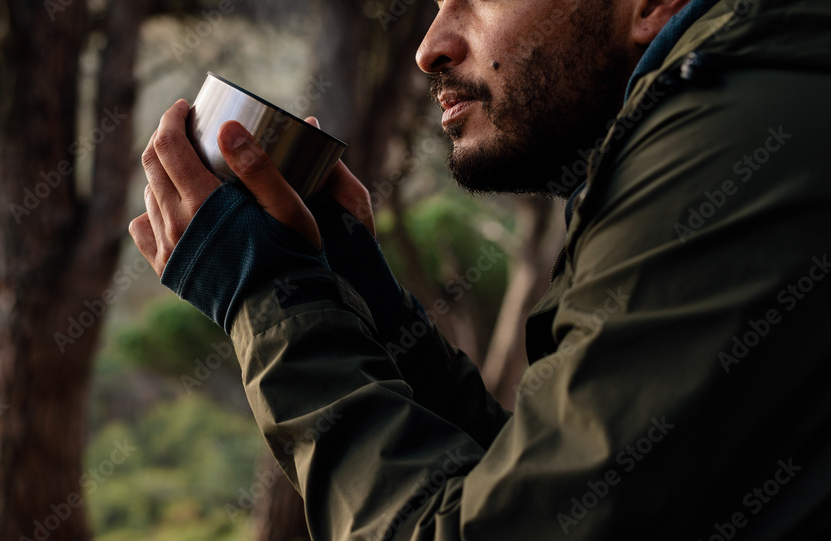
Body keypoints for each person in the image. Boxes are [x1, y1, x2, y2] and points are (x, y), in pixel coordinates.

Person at [129, 0, 831, 538]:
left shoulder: (722, 139)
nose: (430, 47)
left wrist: (264, 293)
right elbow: (547, 487)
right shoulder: (744, 97)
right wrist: (363, 299)